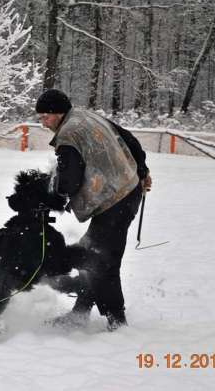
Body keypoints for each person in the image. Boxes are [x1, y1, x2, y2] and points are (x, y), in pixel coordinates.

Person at [36, 89, 152, 331]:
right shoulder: (86, 116)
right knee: (91, 252)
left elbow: (70, 181)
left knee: (101, 262)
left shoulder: (68, 135)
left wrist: (52, 196)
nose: (42, 122)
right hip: (127, 189)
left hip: (114, 200)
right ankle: (79, 314)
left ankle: (117, 323)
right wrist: (142, 171)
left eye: (45, 116)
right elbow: (129, 139)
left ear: (58, 114)